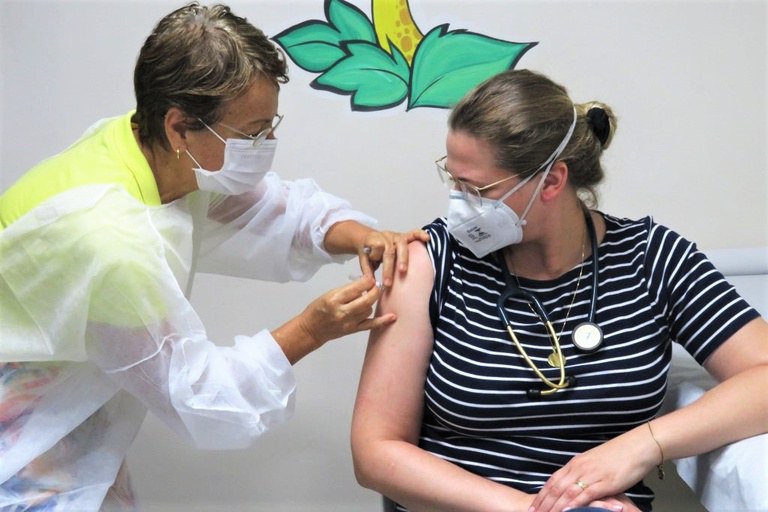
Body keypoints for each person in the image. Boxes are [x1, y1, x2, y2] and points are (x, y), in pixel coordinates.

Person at [0, 2, 428, 509]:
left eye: (271, 125)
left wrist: (359, 235)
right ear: (179, 127)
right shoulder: (108, 239)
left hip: (68, 429)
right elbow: (198, 397)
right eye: (253, 133)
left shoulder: (144, 148)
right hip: (22, 448)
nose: (268, 144)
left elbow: (273, 209)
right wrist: (312, 329)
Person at [351, 69, 768, 512]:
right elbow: (375, 451)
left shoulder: (651, 258)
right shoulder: (427, 264)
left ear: (551, 182)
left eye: (477, 189)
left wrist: (643, 445)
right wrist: (534, 509)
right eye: (453, 179)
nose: (459, 203)